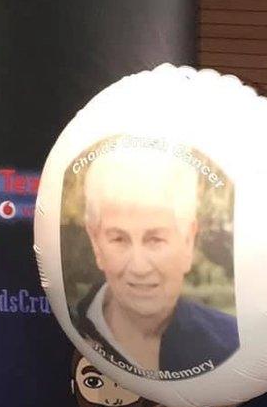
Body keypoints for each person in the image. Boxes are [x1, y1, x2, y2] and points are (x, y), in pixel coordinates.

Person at [71, 143, 239, 377]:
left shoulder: (230, 345)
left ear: (188, 241)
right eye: (119, 239)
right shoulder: (67, 331)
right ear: (96, 243)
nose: (139, 267)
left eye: (155, 239)